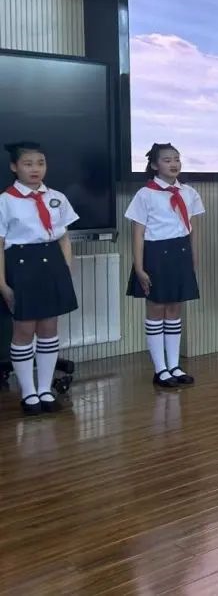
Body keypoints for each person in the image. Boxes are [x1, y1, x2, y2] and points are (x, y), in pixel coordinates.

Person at [0, 141, 79, 414]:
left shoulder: (56, 197)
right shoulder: (5, 200)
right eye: (28, 164)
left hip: (52, 264)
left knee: (48, 328)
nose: (35, 169)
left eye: (40, 163)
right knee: (24, 329)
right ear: (14, 167)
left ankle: (45, 389)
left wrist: (66, 268)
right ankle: (28, 393)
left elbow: (64, 237)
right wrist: (2, 283)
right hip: (21, 265)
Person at [125, 143, 203, 389]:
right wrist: (139, 267)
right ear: (154, 165)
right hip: (156, 254)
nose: (174, 164)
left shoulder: (189, 192)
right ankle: (160, 369)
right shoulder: (145, 194)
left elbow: (193, 229)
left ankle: (174, 365)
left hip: (181, 253)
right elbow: (138, 233)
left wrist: (193, 258)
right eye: (167, 160)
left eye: (177, 159)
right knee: (156, 309)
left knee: (174, 310)